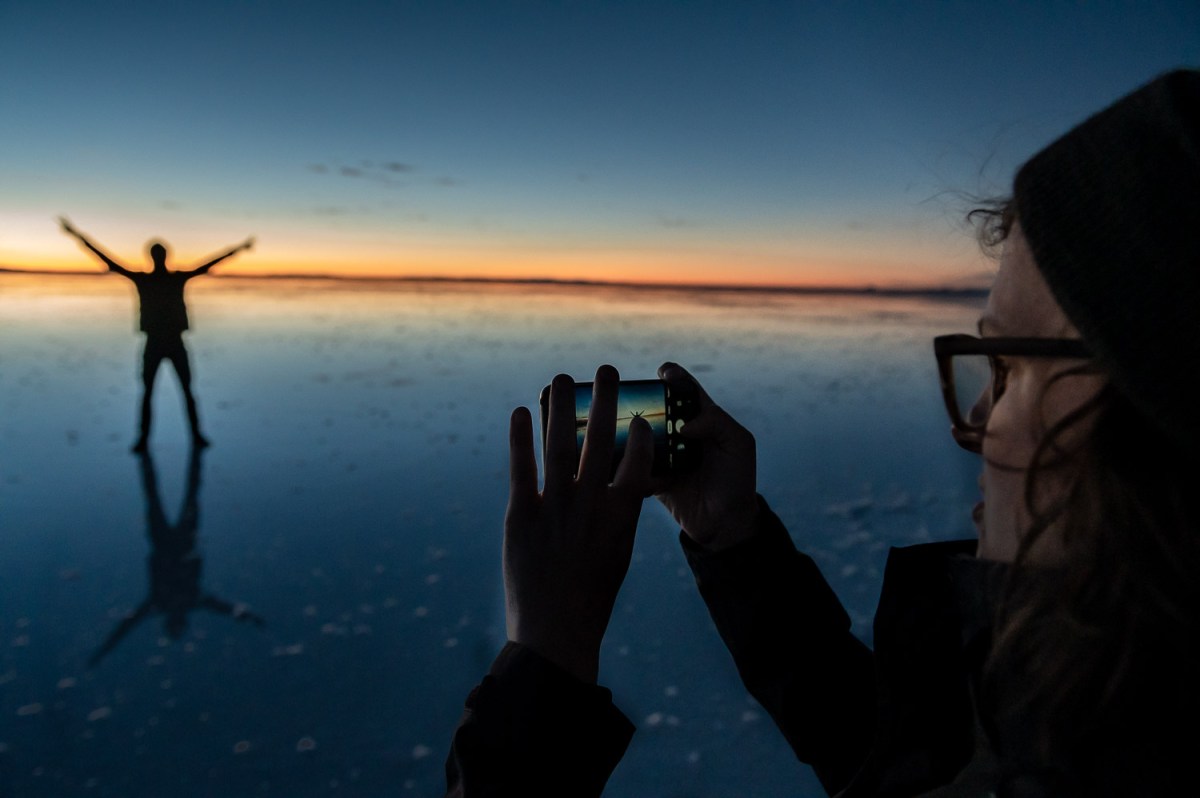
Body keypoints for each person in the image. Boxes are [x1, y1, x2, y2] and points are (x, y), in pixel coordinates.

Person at [444, 68, 1200, 796]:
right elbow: (907, 762)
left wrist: (548, 659)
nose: (973, 417)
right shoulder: (1096, 699)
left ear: (1146, 415)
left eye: (1006, 368)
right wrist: (735, 545)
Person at [59, 217, 254, 451]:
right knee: (152, 392)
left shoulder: (167, 278)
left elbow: (210, 263)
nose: (159, 257)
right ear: (156, 256)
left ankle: (194, 436)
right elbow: (106, 258)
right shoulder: (150, 279)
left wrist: (237, 249)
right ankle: (147, 439)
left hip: (172, 342)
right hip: (157, 343)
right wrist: (77, 236)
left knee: (182, 391)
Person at [87, 448, 265, 668]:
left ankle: (159, 453)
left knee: (169, 496)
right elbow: (224, 608)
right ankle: (176, 451)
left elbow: (127, 626)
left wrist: (104, 650)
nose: (177, 617)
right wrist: (249, 617)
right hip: (179, 544)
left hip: (165, 544)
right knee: (176, 496)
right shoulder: (186, 601)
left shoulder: (164, 603)